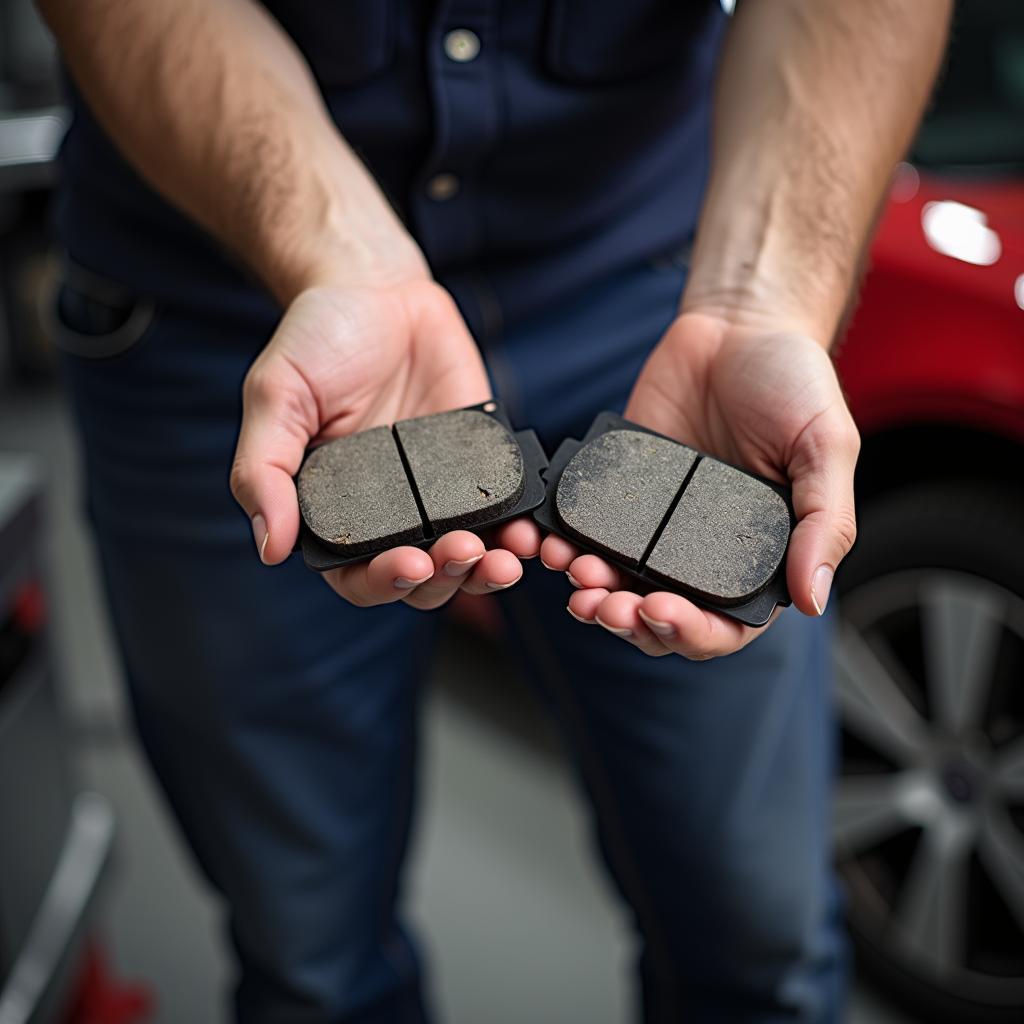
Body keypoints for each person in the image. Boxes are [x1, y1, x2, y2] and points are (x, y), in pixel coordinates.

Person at [38, 1, 951, 1020]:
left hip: (668, 295)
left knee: (762, 948)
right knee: (312, 968)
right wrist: (337, 257)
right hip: (231, 299)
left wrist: (763, 298)